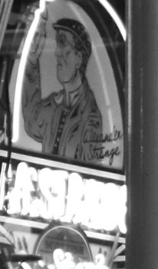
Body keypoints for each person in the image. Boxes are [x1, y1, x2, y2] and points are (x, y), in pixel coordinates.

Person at [21, 16, 106, 164]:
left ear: (78, 58)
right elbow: (31, 122)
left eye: (62, 44)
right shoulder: (56, 103)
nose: (56, 52)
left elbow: (89, 172)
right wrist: (32, 60)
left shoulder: (90, 117)